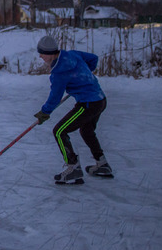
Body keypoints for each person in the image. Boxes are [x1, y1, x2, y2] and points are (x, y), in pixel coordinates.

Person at [34, 35, 113, 185]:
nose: (40, 56)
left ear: (50, 53)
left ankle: (73, 168)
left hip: (88, 104)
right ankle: (102, 164)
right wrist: (81, 77)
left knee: (59, 131)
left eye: (42, 53)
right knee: (87, 131)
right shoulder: (72, 54)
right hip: (100, 100)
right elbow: (93, 59)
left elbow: (55, 97)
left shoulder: (59, 73)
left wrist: (44, 113)